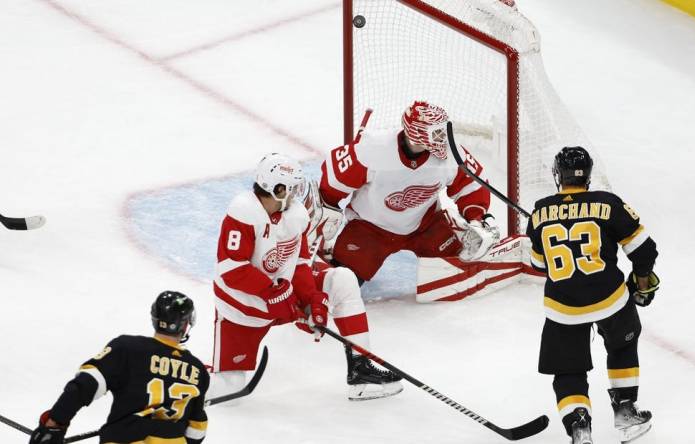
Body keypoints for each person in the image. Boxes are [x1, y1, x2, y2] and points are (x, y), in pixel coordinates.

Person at [211, 152, 402, 401]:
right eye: (292, 188)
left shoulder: (296, 215)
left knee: (342, 279)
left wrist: (311, 298)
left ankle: (360, 367)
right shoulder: (244, 212)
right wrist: (272, 293)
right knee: (230, 389)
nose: (297, 193)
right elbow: (231, 270)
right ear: (278, 188)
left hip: (284, 294)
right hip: (244, 307)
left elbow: (300, 263)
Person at [525, 147, 659, 444]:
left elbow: (537, 264)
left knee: (567, 369)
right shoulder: (608, 203)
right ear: (588, 174)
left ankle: (579, 427)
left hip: (563, 307)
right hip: (610, 299)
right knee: (622, 346)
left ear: (558, 175)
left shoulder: (539, 211)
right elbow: (644, 249)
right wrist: (640, 280)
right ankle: (625, 411)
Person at [317, 100, 500, 287]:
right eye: (437, 133)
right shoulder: (373, 149)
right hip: (369, 228)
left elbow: (472, 186)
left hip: (424, 225)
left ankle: (454, 227)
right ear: (417, 134)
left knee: (454, 271)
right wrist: (326, 209)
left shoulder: (451, 154)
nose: (443, 138)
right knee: (343, 284)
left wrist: (476, 217)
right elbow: (333, 180)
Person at [29, 291, 210, 444]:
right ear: (186, 325)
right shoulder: (198, 370)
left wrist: (54, 425)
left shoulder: (127, 348)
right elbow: (197, 430)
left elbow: (84, 386)